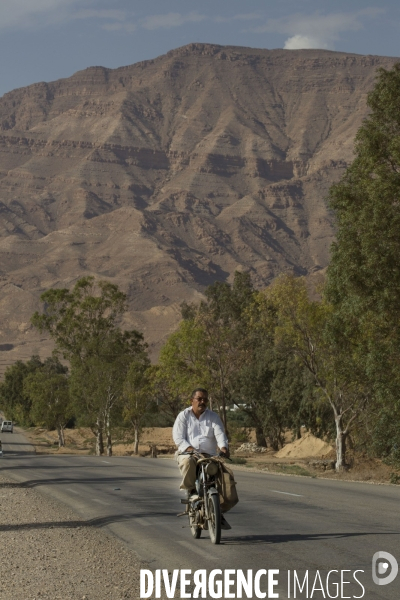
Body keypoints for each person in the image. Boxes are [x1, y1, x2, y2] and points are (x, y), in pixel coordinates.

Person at [172, 387, 231, 529]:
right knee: (187, 462)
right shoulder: (183, 416)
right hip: (188, 453)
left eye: (205, 399)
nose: (202, 401)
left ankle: (219, 509)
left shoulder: (213, 417)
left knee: (225, 476)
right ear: (192, 400)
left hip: (209, 455)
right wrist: (190, 450)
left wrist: (223, 448)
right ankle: (191, 490)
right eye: (199, 399)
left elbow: (220, 434)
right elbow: (178, 438)